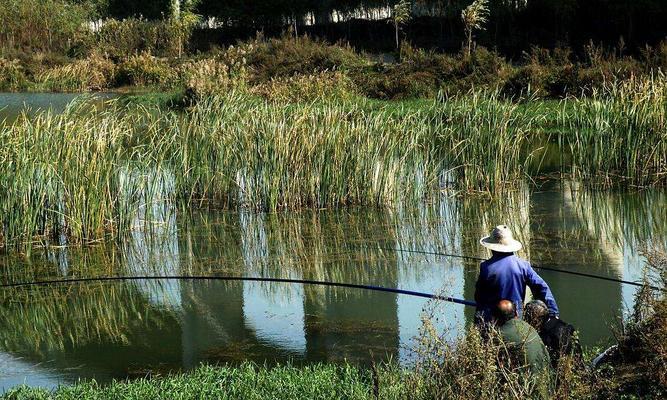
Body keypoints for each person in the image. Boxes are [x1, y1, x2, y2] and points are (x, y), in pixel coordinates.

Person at [474, 225, 559, 325]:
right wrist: (553, 313)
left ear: (492, 247)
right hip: (517, 317)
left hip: (493, 319)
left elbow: (479, 296)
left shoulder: (486, 267)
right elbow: (542, 287)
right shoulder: (523, 266)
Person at [493, 300, 552, 378]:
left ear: (495, 318)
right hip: (548, 379)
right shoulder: (527, 326)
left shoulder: (500, 334)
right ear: (516, 313)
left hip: (529, 385)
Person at [524, 299, 582, 368]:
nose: (526, 321)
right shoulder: (561, 324)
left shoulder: (550, 334)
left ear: (536, 319)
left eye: (528, 318)